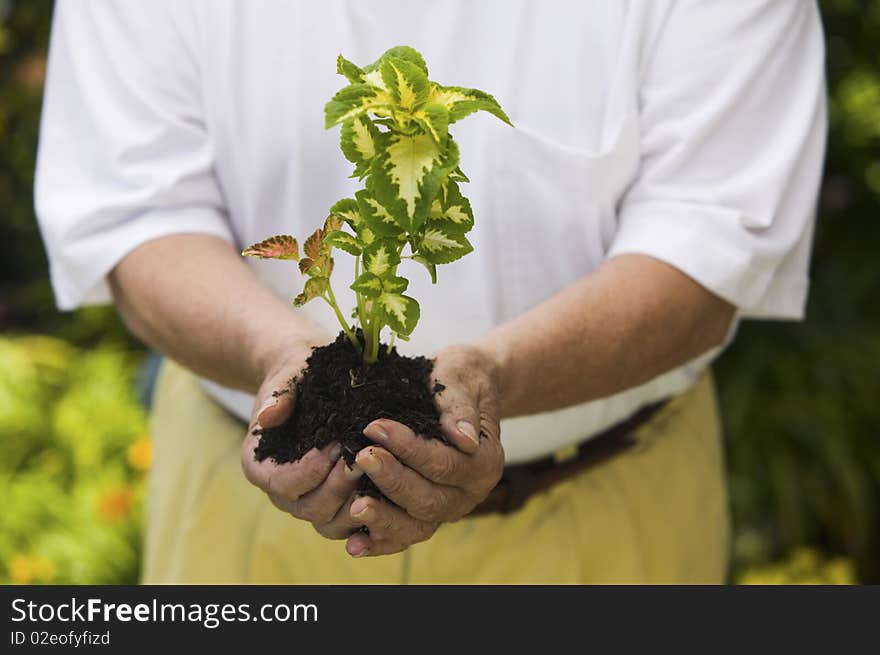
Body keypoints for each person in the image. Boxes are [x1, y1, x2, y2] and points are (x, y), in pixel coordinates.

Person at [35, 0, 826, 583]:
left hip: (604, 516)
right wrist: (277, 353)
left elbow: (710, 244)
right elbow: (137, 212)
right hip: (249, 523)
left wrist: (495, 376)